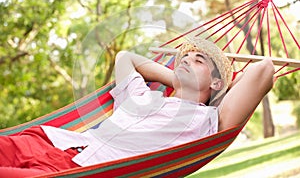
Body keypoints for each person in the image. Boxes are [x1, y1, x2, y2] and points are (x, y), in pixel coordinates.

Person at [0, 38, 275, 177]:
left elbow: (263, 70)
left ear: (216, 84)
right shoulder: (141, 95)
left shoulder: (208, 121)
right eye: (184, 57)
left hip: (74, 171)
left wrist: (213, 88)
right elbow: (125, 57)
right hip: (47, 140)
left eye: (198, 60)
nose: (187, 60)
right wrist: (178, 79)